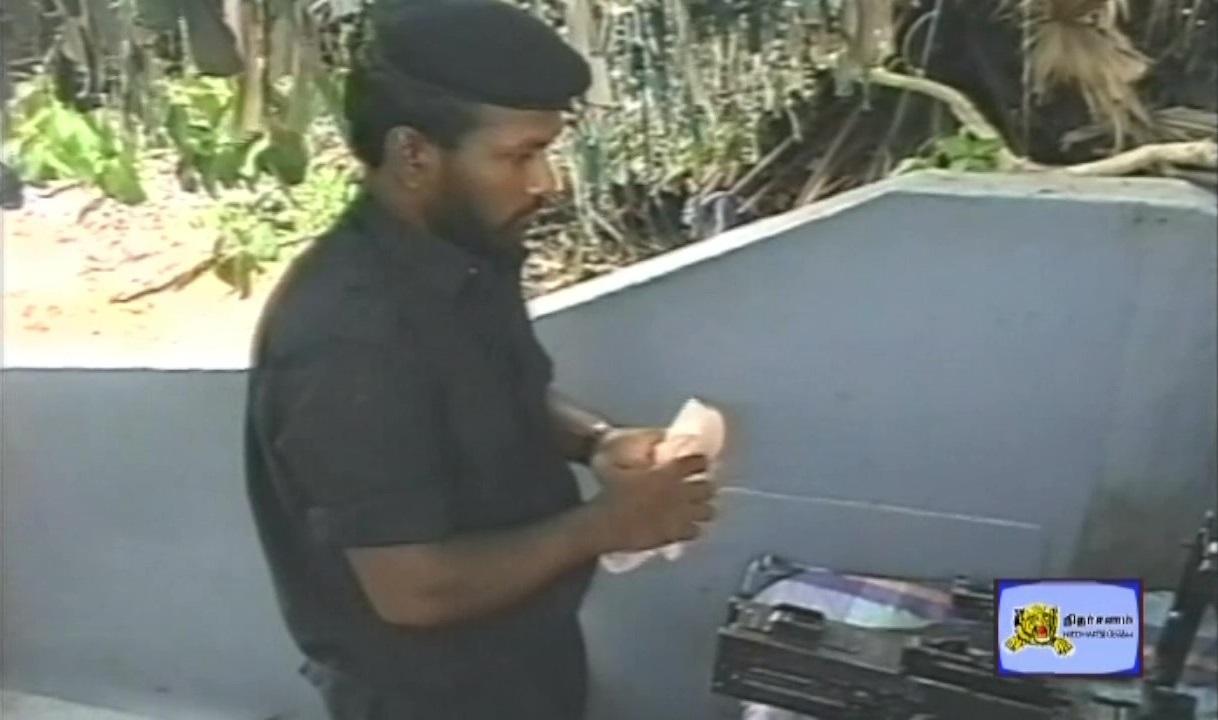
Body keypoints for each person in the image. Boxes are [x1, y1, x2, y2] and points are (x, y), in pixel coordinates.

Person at [243, 2, 717, 718]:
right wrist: (609, 525)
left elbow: (496, 392)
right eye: (519, 155)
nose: (547, 183)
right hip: (426, 697)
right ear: (413, 154)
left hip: (524, 658)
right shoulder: (347, 338)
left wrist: (598, 443)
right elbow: (413, 588)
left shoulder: (464, 252)